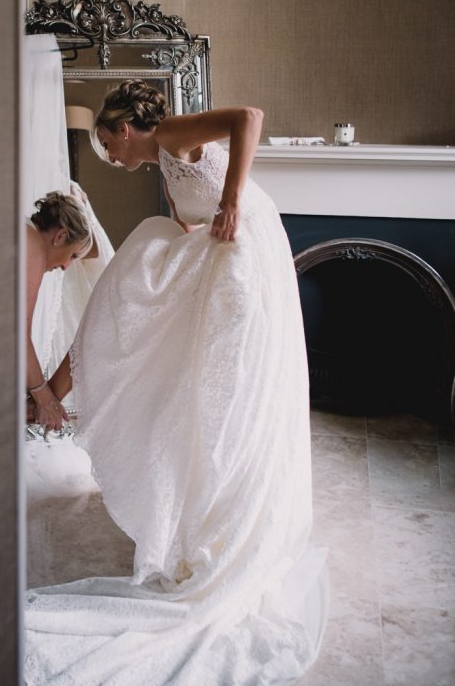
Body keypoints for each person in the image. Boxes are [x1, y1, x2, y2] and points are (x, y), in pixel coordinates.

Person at [25, 80, 328, 686]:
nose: (110, 154)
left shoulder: (170, 132)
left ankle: (61, 393)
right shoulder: (163, 163)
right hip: (220, 257)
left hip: (244, 256)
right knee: (145, 266)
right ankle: (80, 398)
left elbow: (249, 116)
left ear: (127, 127)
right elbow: (187, 218)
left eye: (109, 142)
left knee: (211, 373)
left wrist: (233, 200)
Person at [25, 191, 93, 433]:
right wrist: (44, 397)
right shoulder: (32, 245)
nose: (66, 266)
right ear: (60, 236)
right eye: (72, 255)